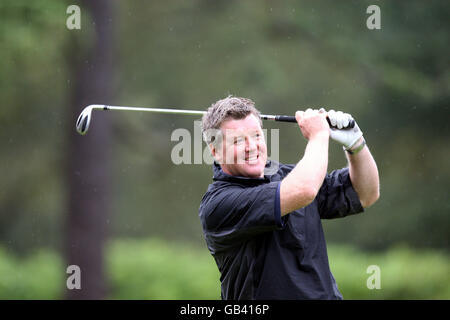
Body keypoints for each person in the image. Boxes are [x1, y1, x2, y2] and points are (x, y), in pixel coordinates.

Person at [198, 96, 380, 299]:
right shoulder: (219, 204)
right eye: (238, 140)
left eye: (256, 135)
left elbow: (366, 193)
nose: (252, 146)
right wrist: (319, 135)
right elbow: (304, 190)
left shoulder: (287, 176)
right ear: (215, 152)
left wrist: (355, 143)